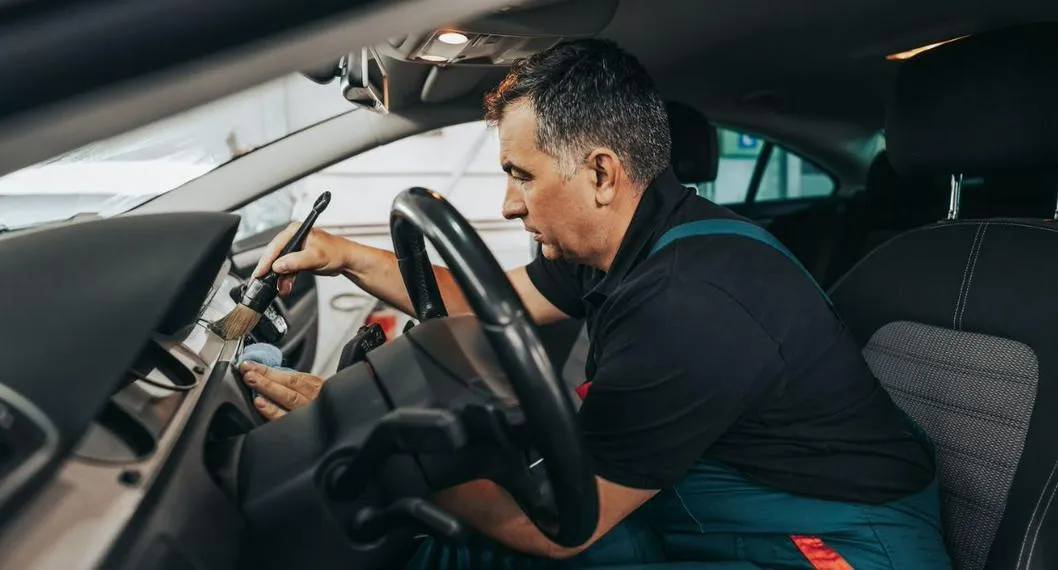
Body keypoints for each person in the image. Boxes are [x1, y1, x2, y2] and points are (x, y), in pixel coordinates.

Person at [237, 39, 951, 569]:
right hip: (717, 492)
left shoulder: (692, 304)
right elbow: (488, 310)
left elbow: (560, 527)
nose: (508, 204)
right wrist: (347, 257)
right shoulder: (619, 243)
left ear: (602, 174)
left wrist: (367, 442)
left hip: (835, 545)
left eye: (521, 175)